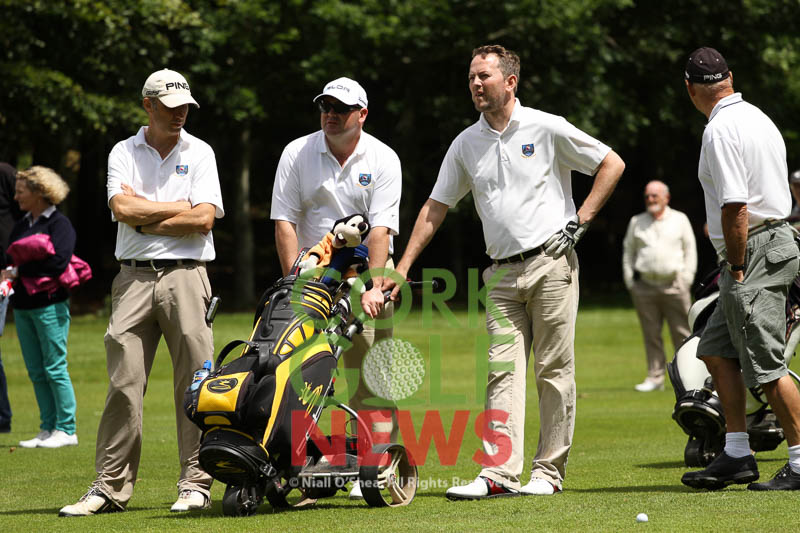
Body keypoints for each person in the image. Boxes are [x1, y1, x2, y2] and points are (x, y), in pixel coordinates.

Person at [385, 44, 625, 499]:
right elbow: (436, 207)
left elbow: (611, 163)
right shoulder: (466, 143)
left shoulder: (545, 126)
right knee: (502, 372)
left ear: (510, 82)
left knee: (553, 370)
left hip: (551, 263)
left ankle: (548, 473)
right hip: (499, 274)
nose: (476, 84)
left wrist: (581, 220)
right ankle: (498, 473)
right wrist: (402, 267)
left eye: (484, 77)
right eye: (471, 78)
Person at [59, 68, 225, 516]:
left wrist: (145, 218)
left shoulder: (201, 151)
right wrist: (176, 208)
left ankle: (196, 484)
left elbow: (204, 218)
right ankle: (110, 487)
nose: (180, 114)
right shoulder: (123, 151)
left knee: (196, 383)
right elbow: (121, 207)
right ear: (148, 105)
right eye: (170, 107)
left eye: (185, 106)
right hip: (132, 278)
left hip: (187, 276)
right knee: (124, 384)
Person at [270, 76, 401, 499]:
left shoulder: (383, 157)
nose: (331, 115)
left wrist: (374, 287)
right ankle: (304, 463)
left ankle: (375, 466)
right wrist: (293, 280)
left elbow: (380, 229)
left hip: (366, 273)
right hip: (313, 276)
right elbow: (284, 221)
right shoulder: (297, 152)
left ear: (362, 114)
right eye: (325, 107)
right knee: (302, 374)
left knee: (368, 372)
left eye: (340, 109)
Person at [681, 47, 800, 491]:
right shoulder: (758, 117)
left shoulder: (719, 129)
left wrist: (734, 267)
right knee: (714, 349)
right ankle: (736, 454)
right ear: (729, 78)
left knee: (765, 364)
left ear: (690, 89)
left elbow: (735, 205)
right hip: (769, 243)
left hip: (753, 251)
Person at [1, 166, 76, 447]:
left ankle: (67, 429)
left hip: (50, 306)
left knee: (54, 368)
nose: (16, 196)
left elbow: (58, 263)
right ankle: (47, 428)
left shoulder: (59, 224)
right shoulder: (22, 224)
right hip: (22, 306)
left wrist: (20, 271)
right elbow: (10, 259)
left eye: (21, 191)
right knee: (35, 370)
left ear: (39, 192)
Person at [622, 180, 696, 392]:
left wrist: (686, 279)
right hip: (645, 286)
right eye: (647, 196)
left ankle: (687, 377)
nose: (650, 199)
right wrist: (630, 281)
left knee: (683, 334)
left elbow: (690, 250)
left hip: (675, 285)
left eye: (654, 195)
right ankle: (655, 378)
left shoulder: (680, 219)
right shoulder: (637, 221)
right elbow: (628, 252)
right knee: (651, 334)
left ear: (666, 198)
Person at [0, 161, 21, 434]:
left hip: (3, 275)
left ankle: (2, 417)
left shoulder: (4, 174)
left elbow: (26, 216)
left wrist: (13, 268)